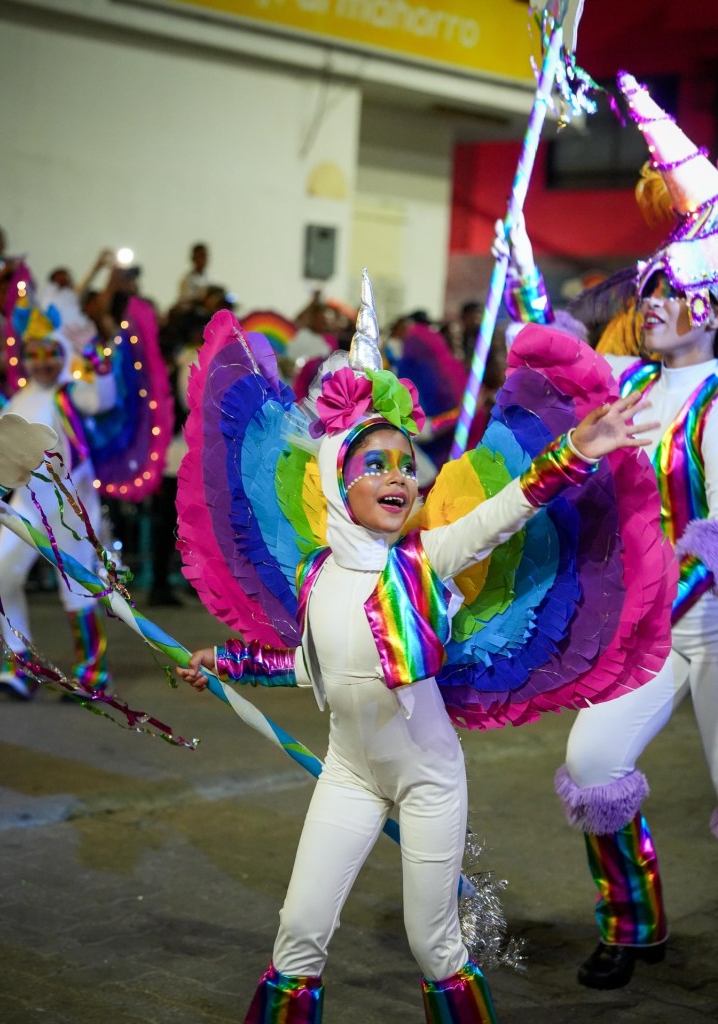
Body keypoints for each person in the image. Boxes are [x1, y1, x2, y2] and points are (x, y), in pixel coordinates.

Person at [175, 270, 665, 1023]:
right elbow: (309, 665)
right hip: (348, 774)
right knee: (297, 933)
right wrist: (227, 663)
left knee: (433, 943)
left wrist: (575, 448)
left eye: (407, 464)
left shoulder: (423, 563)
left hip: (428, 781)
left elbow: (504, 512)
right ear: (336, 480)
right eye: (375, 465)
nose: (399, 477)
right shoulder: (314, 575)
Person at [548, 74, 718, 991]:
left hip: (709, 626)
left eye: (668, 290)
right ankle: (631, 922)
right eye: (646, 288)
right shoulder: (632, 390)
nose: (647, 301)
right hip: (653, 632)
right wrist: (517, 272)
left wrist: (650, 601)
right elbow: (556, 360)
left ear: (710, 308)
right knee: (592, 763)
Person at [0, 291, 117, 700]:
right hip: (25, 503)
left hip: (70, 508)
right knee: (1, 575)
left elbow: (104, 398)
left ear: (64, 354)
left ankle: (92, 673)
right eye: (35, 354)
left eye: (52, 353)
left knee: (77, 588)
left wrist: (93, 355)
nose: (43, 362)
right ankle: (19, 664)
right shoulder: (20, 398)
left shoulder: (71, 392)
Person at [177, 242, 209, 307]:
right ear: (193, 258)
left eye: (203, 256)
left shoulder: (213, 279)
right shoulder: (186, 280)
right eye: (198, 256)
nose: (201, 260)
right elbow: (185, 300)